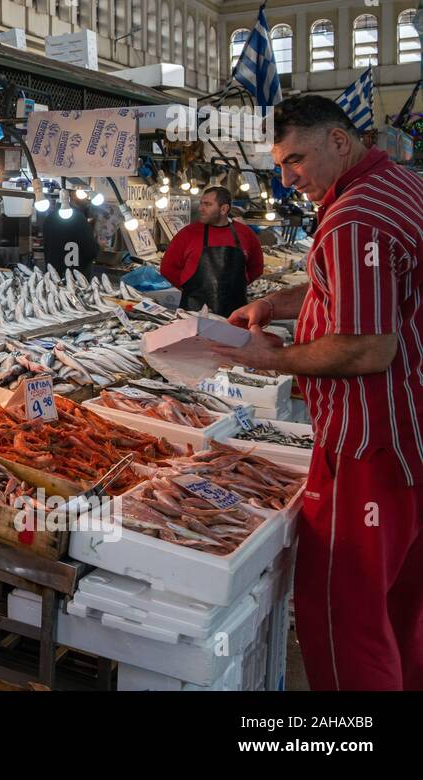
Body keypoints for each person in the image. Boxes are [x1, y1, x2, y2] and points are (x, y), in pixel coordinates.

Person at [212, 94, 423, 691]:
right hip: (411, 440)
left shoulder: (355, 218)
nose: (287, 178)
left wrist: (273, 358)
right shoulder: (398, 185)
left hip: (368, 448)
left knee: (344, 618)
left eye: (295, 159)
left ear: (338, 141)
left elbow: (366, 347)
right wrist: (277, 303)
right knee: (403, 612)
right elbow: (358, 287)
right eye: (279, 164)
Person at [158, 185, 263, 315]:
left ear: (224, 209)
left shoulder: (246, 234)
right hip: (194, 311)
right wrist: (189, 287)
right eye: (201, 203)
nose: (201, 208)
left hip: (235, 312)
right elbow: (168, 269)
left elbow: (256, 268)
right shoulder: (188, 234)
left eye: (207, 204)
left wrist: (234, 288)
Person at [42, 202, 100, 276]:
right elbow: (91, 251)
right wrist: (99, 246)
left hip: (53, 276)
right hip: (76, 279)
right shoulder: (79, 219)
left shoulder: (49, 219)